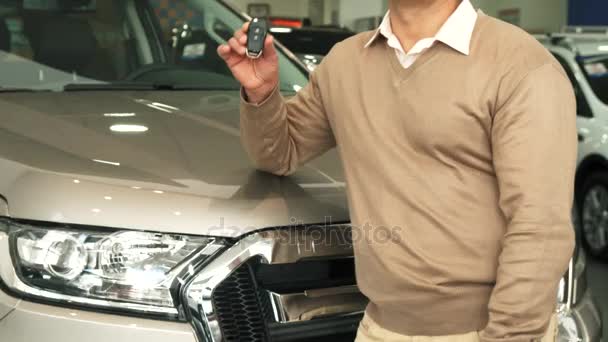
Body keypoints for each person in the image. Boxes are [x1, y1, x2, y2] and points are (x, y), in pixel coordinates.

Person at [217, 0, 576, 341]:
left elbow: (539, 227)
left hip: (485, 328)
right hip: (380, 326)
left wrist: (509, 336)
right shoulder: (345, 63)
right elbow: (280, 153)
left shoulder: (521, 66)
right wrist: (262, 94)